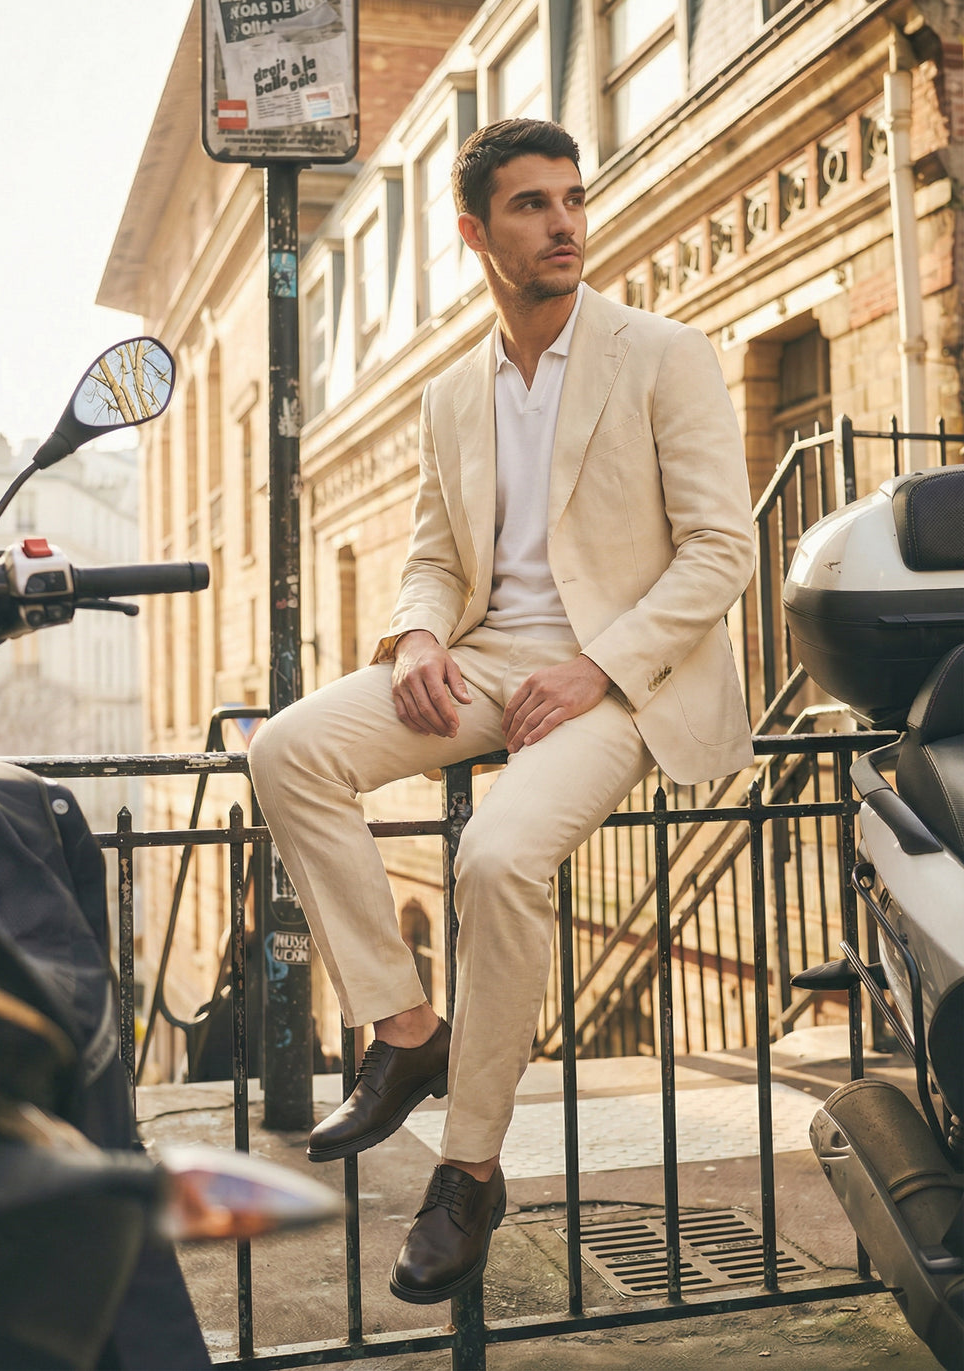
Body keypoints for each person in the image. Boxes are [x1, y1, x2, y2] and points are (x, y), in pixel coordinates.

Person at [249, 118, 755, 1305]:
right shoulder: (450, 392)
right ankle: (404, 1025)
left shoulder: (660, 354)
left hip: (622, 678)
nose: (565, 222)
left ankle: (467, 1169)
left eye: (573, 198)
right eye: (530, 205)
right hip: (482, 658)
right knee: (287, 749)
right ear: (474, 232)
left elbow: (723, 548)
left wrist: (600, 666)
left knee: (495, 856)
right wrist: (418, 632)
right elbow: (432, 555)